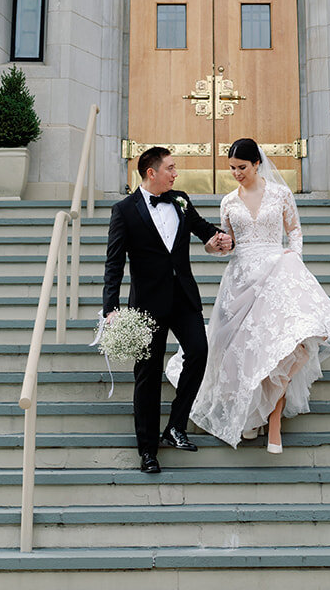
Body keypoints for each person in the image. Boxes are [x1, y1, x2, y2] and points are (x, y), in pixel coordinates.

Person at [167, 137, 330, 452]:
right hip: (239, 279)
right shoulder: (228, 202)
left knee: (282, 346)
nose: (236, 173)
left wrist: (294, 256)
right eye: (232, 168)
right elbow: (228, 243)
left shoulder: (280, 193)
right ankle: (250, 419)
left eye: (241, 167)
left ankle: (273, 418)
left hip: (276, 272)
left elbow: (294, 230)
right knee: (239, 352)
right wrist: (214, 246)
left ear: (256, 164)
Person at [101, 146, 233, 475]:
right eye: (170, 168)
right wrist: (111, 308)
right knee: (147, 376)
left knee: (200, 352)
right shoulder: (124, 210)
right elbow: (114, 263)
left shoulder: (180, 200)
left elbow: (203, 228)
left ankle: (175, 425)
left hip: (183, 298)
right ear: (152, 173)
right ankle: (147, 450)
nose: (175, 174)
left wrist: (224, 238)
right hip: (147, 305)